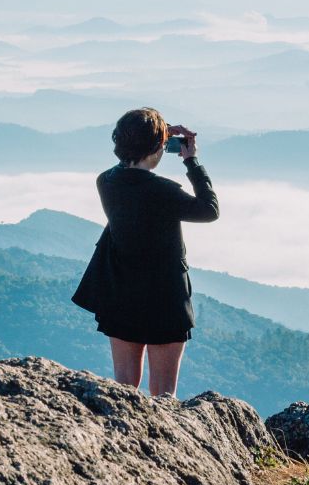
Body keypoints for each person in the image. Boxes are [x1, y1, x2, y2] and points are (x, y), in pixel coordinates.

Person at [71, 107, 219, 397]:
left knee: (123, 388)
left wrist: (158, 135)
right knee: (164, 395)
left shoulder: (106, 181)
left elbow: (130, 174)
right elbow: (209, 210)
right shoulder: (163, 191)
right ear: (156, 148)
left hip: (120, 291)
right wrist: (192, 162)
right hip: (165, 296)